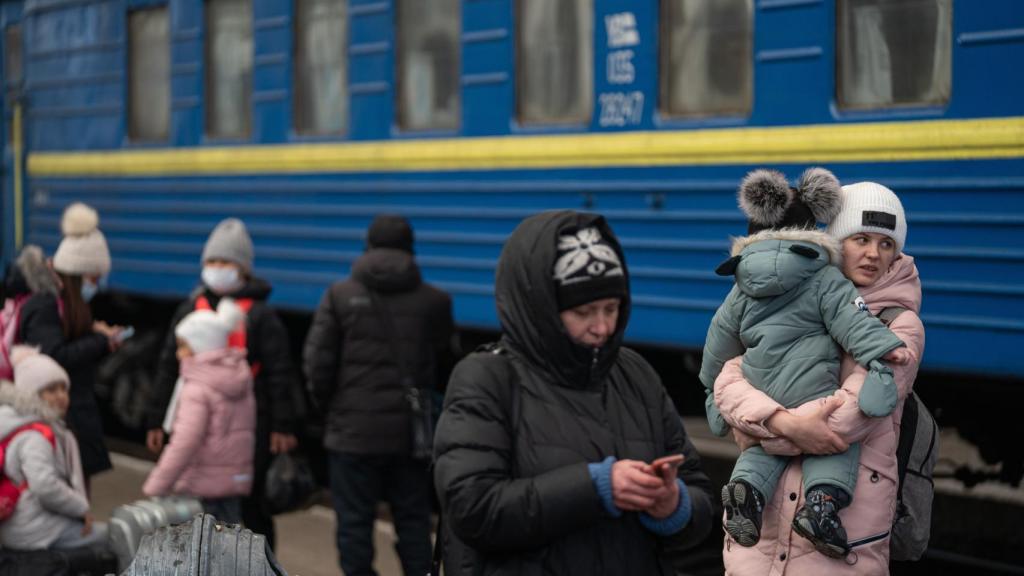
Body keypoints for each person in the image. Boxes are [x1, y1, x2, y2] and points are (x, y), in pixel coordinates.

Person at [433, 211, 714, 575]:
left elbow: (699, 494)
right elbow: (473, 508)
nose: (602, 327)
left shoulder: (635, 375)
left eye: (611, 309)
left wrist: (674, 506)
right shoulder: (485, 379)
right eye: (583, 312)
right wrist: (597, 487)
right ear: (541, 309)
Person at [713, 181, 925, 574]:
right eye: (860, 238)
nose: (873, 254)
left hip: (842, 523)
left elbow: (853, 415)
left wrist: (762, 426)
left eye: (886, 244)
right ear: (832, 241)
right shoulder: (793, 302)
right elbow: (729, 377)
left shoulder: (899, 325)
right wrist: (785, 422)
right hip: (767, 523)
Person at [303, 214, 457, 576]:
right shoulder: (434, 301)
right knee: (414, 522)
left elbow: (316, 364)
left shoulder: (339, 296)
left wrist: (332, 410)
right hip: (409, 436)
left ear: (368, 246)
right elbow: (446, 366)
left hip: (352, 434)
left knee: (354, 526)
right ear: (410, 249)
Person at [145, 218, 302, 546]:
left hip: (249, 424)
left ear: (243, 269)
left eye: (226, 262)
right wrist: (156, 417)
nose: (217, 268)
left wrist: (282, 425)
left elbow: (279, 373)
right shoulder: (190, 308)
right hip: (199, 419)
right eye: (212, 262)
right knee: (201, 504)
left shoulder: (261, 316)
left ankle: (261, 562)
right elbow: (167, 366)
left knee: (252, 504)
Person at [18, 203, 124, 483]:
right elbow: (55, 356)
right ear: (77, 276)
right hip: (58, 418)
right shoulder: (47, 308)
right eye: (93, 278)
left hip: (72, 415)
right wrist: (99, 341)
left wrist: (99, 340)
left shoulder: (65, 307)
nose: (97, 285)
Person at [142, 299, 255, 524]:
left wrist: (157, 484)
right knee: (231, 550)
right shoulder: (238, 375)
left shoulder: (197, 387)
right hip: (232, 483)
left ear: (201, 345)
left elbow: (185, 441)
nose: (178, 354)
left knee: (201, 554)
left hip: (201, 487)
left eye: (183, 346)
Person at [0, 346, 107, 551]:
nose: (61, 396)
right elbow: (44, 485)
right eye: (51, 390)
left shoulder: (32, 426)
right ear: (33, 395)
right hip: (34, 529)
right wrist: (80, 508)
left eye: (63, 388)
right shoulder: (35, 436)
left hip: (25, 522)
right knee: (117, 536)